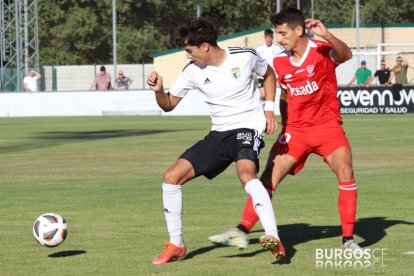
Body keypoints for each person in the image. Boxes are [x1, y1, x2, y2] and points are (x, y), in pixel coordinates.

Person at [209, 8, 364, 254]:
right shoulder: (279, 61)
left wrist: (327, 35)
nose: (278, 39)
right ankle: (241, 230)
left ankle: (347, 240)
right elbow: (284, 95)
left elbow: (345, 55)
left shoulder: (321, 51)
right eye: (277, 34)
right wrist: (284, 124)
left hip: (327, 127)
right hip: (297, 131)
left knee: (345, 171)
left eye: (282, 33)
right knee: (269, 177)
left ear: (299, 31)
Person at [147, 18, 282, 264]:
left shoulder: (245, 56)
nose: (188, 56)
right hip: (218, 134)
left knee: (246, 175)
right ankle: (176, 245)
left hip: (247, 128)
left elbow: (269, 74)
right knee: (171, 177)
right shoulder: (191, 72)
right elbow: (169, 105)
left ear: (205, 47)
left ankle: (273, 236)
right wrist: (158, 91)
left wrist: (270, 109)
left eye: (189, 50)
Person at [256, 29, 283, 100]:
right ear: (264, 38)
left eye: (270, 37)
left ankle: (271, 109)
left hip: (274, 75)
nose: (268, 39)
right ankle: (262, 109)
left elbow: (282, 60)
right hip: (262, 75)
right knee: (262, 95)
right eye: (267, 37)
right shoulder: (259, 49)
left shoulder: (277, 48)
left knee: (273, 94)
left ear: (272, 38)